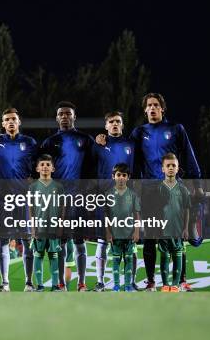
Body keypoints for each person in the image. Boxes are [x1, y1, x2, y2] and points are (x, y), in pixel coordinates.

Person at [98, 93, 202, 291]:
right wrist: (104, 141)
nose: (152, 108)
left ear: (162, 108)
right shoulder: (139, 133)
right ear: (145, 110)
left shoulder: (176, 129)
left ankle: (181, 281)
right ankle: (151, 282)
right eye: (149, 106)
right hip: (149, 191)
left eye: (156, 105)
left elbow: (189, 157)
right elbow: (125, 152)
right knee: (151, 237)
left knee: (177, 236)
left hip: (173, 189)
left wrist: (197, 185)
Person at [41, 101, 95, 292]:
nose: (64, 116)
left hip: (79, 197)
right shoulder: (49, 143)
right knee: (61, 242)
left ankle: (81, 283)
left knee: (80, 241)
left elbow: (94, 167)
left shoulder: (86, 140)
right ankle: (61, 284)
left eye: (68, 113)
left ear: (74, 117)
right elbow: (41, 170)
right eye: (61, 114)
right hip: (58, 200)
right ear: (57, 118)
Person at [0, 108, 38, 292]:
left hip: (23, 198)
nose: (10, 122)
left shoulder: (29, 142)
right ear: (3, 124)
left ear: (19, 122)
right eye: (7, 119)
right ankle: (5, 283)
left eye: (14, 119)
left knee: (26, 240)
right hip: (3, 199)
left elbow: (39, 163)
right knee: (3, 241)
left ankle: (29, 283)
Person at [93, 111, 137, 291]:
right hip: (105, 198)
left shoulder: (131, 145)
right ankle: (100, 282)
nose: (115, 124)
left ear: (122, 125)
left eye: (118, 121)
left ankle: (131, 282)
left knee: (130, 244)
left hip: (127, 199)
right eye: (111, 121)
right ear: (106, 126)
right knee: (103, 240)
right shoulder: (99, 145)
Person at [29, 155, 64, 292]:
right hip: (39, 228)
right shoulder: (33, 187)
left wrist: (60, 226)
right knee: (38, 255)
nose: (44, 167)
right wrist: (33, 228)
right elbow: (31, 208)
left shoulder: (59, 187)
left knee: (54, 256)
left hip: (54, 228)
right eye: (42, 164)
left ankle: (55, 285)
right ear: (37, 168)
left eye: (48, 164)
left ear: (53, 168)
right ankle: (40, 285)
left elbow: (62, 207)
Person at [104, 163, 140, 292]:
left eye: (124, 175)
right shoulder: (108, 194)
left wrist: (136, 232)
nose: (121, 178)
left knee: (129, 260)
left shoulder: (133, 195)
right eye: (118, 175)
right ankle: (116, 285)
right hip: (115, 234)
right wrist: (108, 233)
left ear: (128, 177)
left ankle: (128, 285)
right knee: (116, 261)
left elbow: (137, 215)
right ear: (113, 176)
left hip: (129, 234)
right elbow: (106, 216)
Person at [157, 153, 190, 292]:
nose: (171, 168)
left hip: (177, 229)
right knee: (164, 256)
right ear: (162, 169)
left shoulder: (183, 189)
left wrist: (186, 228)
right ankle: (165, 285)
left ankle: (175, 285)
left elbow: (187, 210)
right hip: (163, 229)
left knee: (177, 256)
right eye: (168, 166)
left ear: (177, 169)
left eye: (173, 166)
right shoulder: (157, 188)